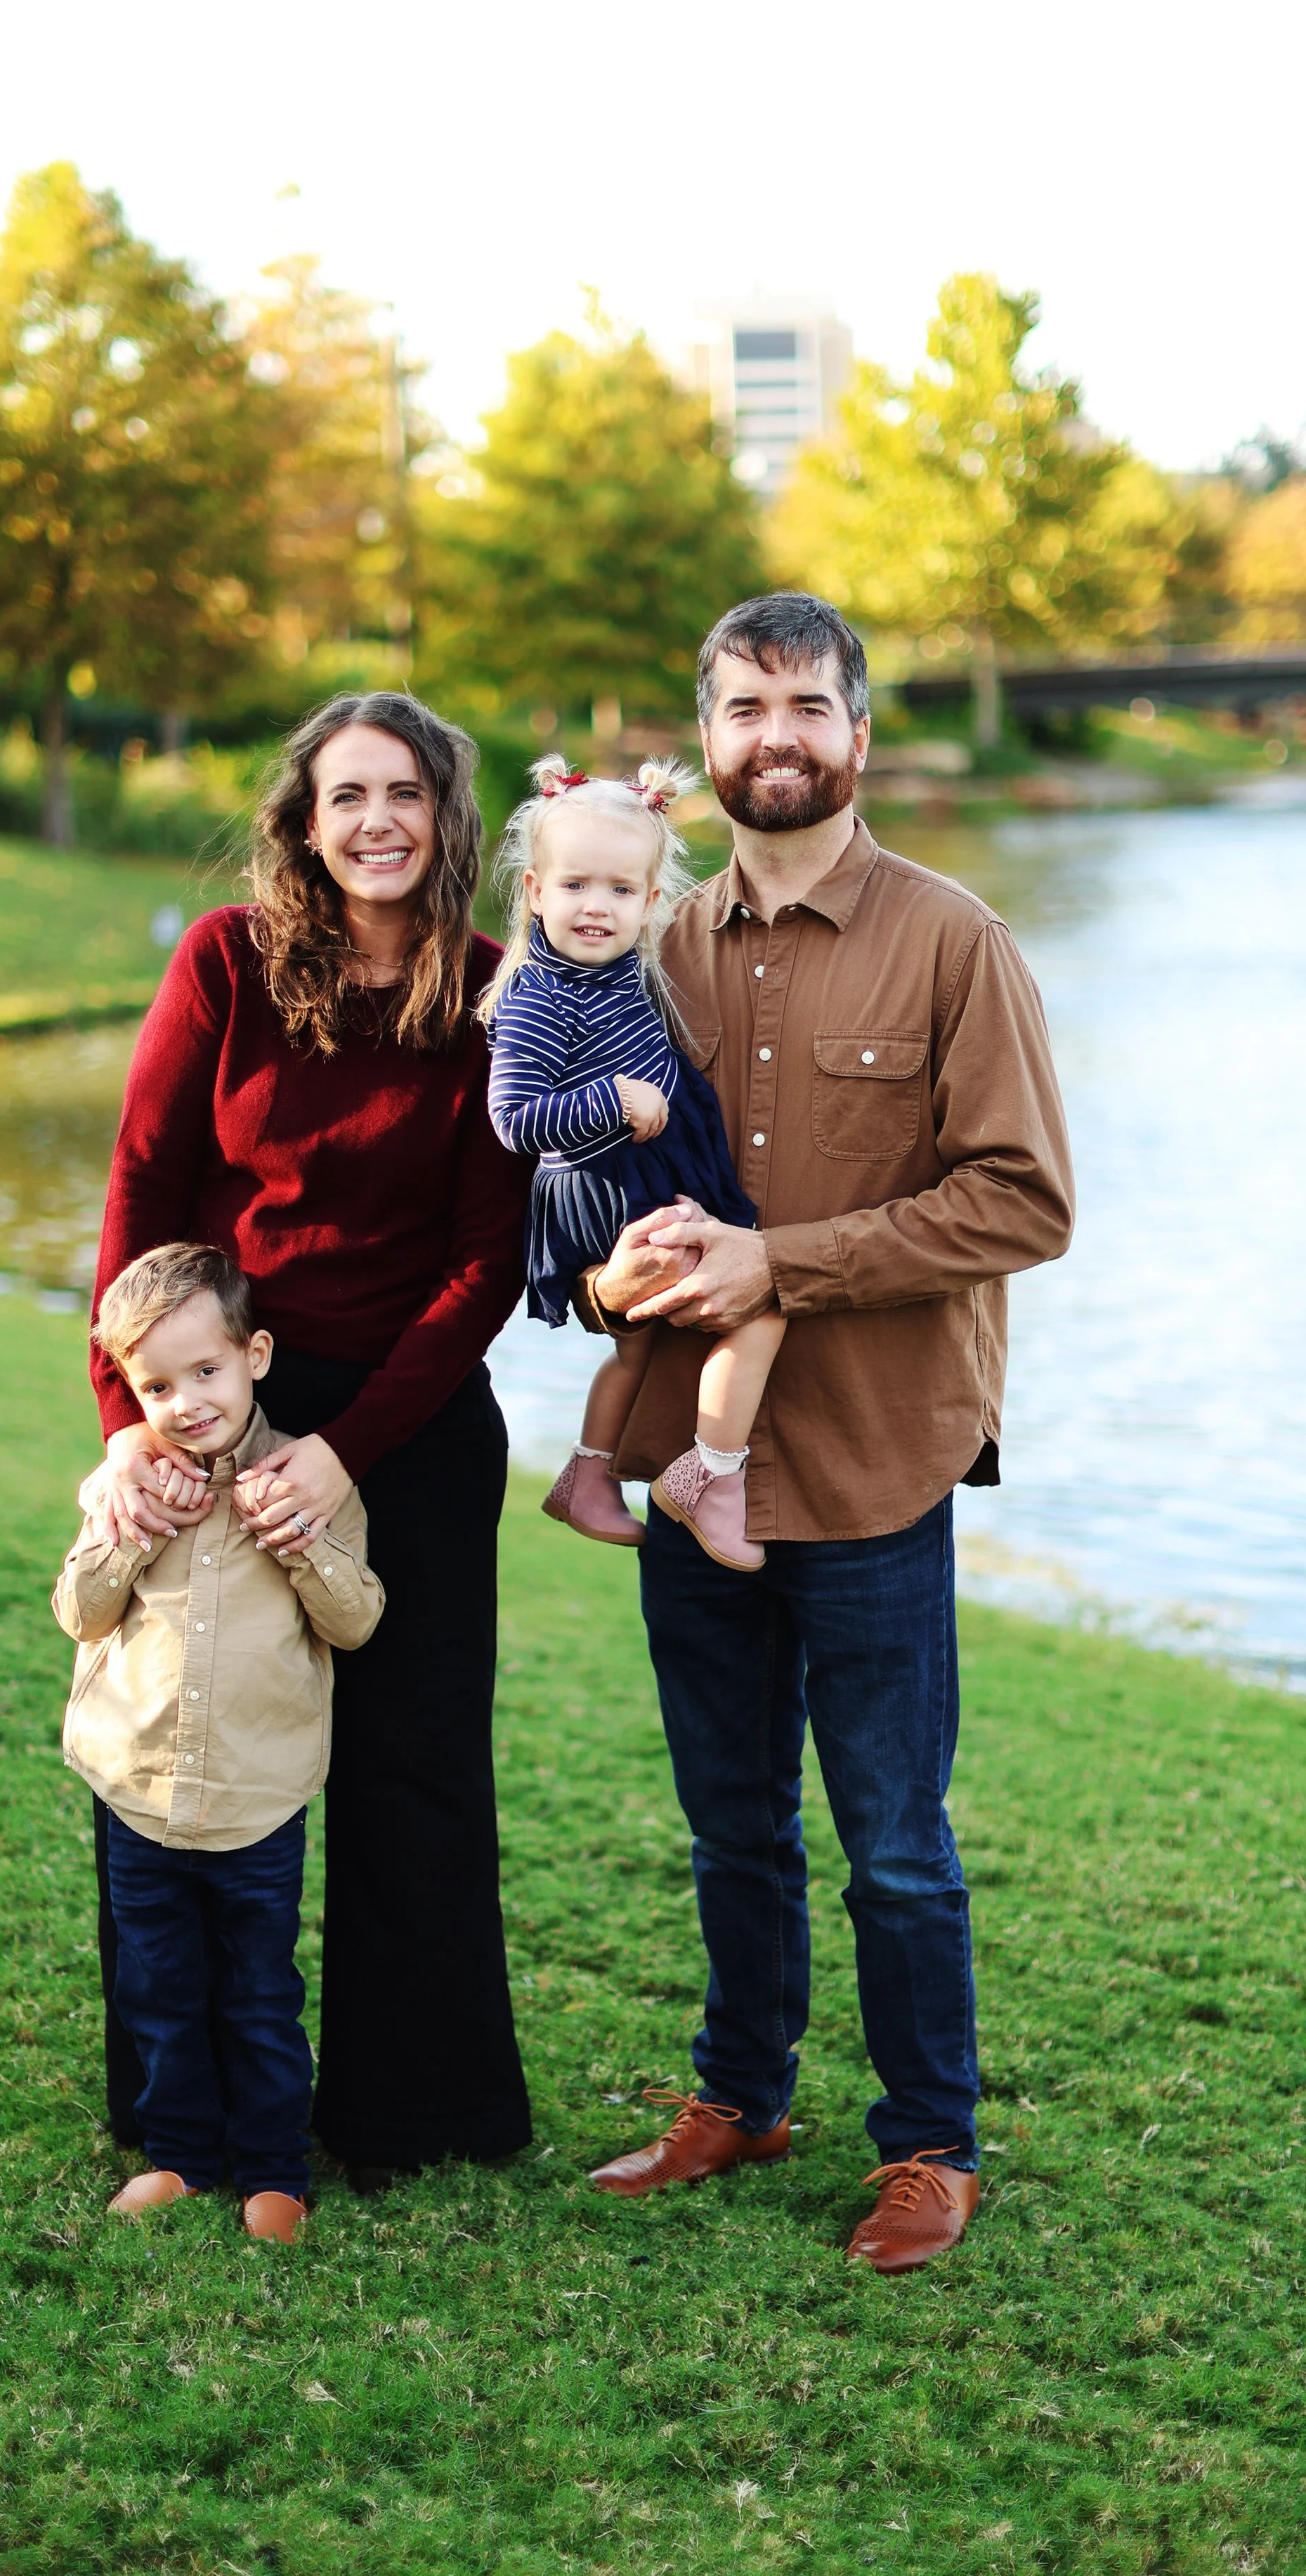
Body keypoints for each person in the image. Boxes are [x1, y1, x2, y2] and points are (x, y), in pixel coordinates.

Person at [577, 594, 1075, 2275]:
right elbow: (589, 1179)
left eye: (806, 704)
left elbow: (1023, 1199)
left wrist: (775, 1260)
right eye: (741, 707)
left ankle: (930, 2144)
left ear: (858, 734)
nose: (773, 736)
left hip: (871, 1461)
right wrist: (606, 1260)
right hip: (686, 1459)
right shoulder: (643, 945)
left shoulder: (955, 942)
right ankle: (741, 2093)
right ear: (703, 741)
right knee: (730, 1819)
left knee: (897, 1843)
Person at [83, 692, 534, 2183]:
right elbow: (143, 1192)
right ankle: (182, 2116)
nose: (377, 822)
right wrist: (130, 1435)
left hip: (405, 1423)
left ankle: (413, 2121)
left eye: (404, 794)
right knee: (191, 1753)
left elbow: (489, 1262)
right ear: (304, 816)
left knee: (411, 1778)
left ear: (444, 815)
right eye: (348, 796)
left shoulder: (489, 993)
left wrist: (342, 1453)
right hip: (218, 1414)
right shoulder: (227, 961)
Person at [56, 1243, 384, 2241]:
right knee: (157, 1990)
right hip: (140, 1792)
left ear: (257, 1355)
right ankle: (181, 2157)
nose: (187, 1400)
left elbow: (358, 1620)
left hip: (257, 1800)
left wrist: (303, 1547)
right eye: (158, 1383)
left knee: (257, 1993)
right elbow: (79, 1609)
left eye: (207, 1371)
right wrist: (128, 1528)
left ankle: (274, 2169)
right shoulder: (128, 1488)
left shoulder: (308, 1487)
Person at [482, 754, 782, 1568]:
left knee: (639, 1348)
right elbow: (512, 1121)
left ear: (651, 904)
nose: (595, 907)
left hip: (635, 1172)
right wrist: (617, 1098)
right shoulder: (539, 995)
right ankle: (712, 1476)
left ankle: (586, 1474)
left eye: (620, 891)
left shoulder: (617, 974)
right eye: (574, 885)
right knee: (766, 1299)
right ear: (534, 893)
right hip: (605, 1184)